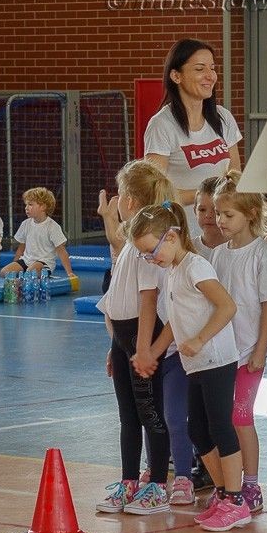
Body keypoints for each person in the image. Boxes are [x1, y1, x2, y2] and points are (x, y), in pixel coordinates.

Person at [127, 203, 244, 532]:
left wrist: (201, 338)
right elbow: (172, 325)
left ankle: (236, 499)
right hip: (196, 363)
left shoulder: (196, 267)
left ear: (173, 237)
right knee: (198, 430)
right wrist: (152, 353)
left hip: (217, 359)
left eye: (152, 251)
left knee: (220, 426)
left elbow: (227, 306)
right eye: (146, 256)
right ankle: (223, 493)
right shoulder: (173, 272)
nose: (152, 260)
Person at [94, 161, 176, 513]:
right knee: (128, 413)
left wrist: (144, 350)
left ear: (128, 200)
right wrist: (117, 345)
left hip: (141, 335)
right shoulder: (131, 239)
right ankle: (129, 480)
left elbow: (148, 298)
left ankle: (157, 482)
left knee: (150, 411)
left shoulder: (147, 240)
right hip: (123, 336)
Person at [208, 172, 267, 513]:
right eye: (218, 214)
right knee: (222, 417)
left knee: (241, 416)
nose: (220, 221)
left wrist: (261, 348)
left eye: (227, 215)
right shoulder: (218, 254)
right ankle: (227, 483)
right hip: (221, 352)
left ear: (250, 213)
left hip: (248, 352)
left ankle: (251, 483)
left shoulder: (263, 252)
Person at [144, 39, 242, 239]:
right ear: (176, 76)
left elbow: (236, 176)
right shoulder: (162, 125)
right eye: (199, 69)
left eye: (212, 68)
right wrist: (208, 195)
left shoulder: (224, 118)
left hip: (222, 234)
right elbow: (156, 194)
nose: (210, 76)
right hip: (183, 236)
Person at [0, 187, 74, 279]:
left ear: (43, 207)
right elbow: (21, 247)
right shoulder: (25, 224)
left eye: (30, 205)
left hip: (43, 262)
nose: (26, 208)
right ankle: (24, 276)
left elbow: (61, 251)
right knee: (4, 272)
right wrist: (15, 263)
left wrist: (69, 272)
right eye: (26, 205)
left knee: (31, 272)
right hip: (26, 261)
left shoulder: (52, 227)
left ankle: (29, 275)